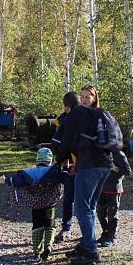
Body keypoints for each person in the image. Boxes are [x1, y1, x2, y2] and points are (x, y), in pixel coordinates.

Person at [53, 88, 113, 265]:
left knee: (81, 208)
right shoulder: (98, 114)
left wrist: (61, 160)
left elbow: (66, 141)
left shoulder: (75, 115)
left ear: (67, 107)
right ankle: (87, 244)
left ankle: (91, 251)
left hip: (89, 166)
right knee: (91, 207)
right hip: (104, 165)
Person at [0, 147, 70, 263]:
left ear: (37, 160)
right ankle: (48, 245)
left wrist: (5, 180)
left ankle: (37, 252)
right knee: (50, 225)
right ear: (50, 161)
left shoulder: (29, 173)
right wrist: (66, 167)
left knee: (37, 226)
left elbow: (15, 180)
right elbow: (65, 178)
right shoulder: (54, 171)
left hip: (35, 204)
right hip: (50, 203)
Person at [53, 92, 79, 243]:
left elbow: (57, 142)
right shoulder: (87, 116)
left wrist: (60, 159)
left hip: (70, 164)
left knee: (69, 198)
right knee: (85, 200)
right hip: (83, 163)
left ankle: (67, 227)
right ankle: (87, 231)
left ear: (67, 107)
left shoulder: (63, 119)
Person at [97, 150, 132, 247]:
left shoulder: (119, 154)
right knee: (100, 213)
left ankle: (112, 237)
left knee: (112, 214)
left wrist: (115, 168)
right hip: (100, 188)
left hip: (113, 189)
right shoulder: (101, 153)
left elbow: (128, 171)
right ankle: (105, 233)